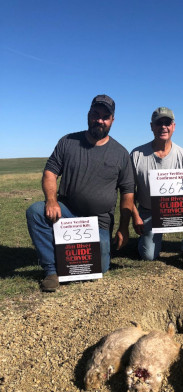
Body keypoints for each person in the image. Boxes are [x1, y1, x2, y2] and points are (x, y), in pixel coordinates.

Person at [26, 95, 135, 292]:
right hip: (66, 213)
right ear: (88, 114)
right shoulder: (68, 142)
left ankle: (70, 258)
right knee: (35, 211)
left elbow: (128, 192)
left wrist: (124, 227)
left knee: (99, 268)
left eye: (105, 116)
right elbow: (50, 173)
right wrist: (51, 201)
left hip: (99, 222)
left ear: (112, 120)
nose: (99, 120)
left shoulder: (121, 153)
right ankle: (51, 271)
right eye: (95, 114)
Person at [130, 107, 183, 270]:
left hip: (176, 208)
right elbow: (129, 192)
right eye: (159, 123)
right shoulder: (137, 155)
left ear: (174, 126)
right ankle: (149, 237)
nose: (163, 126)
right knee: (148, 256)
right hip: (149, 212)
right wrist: (135, 216)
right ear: (151, 126)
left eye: (167, 123)